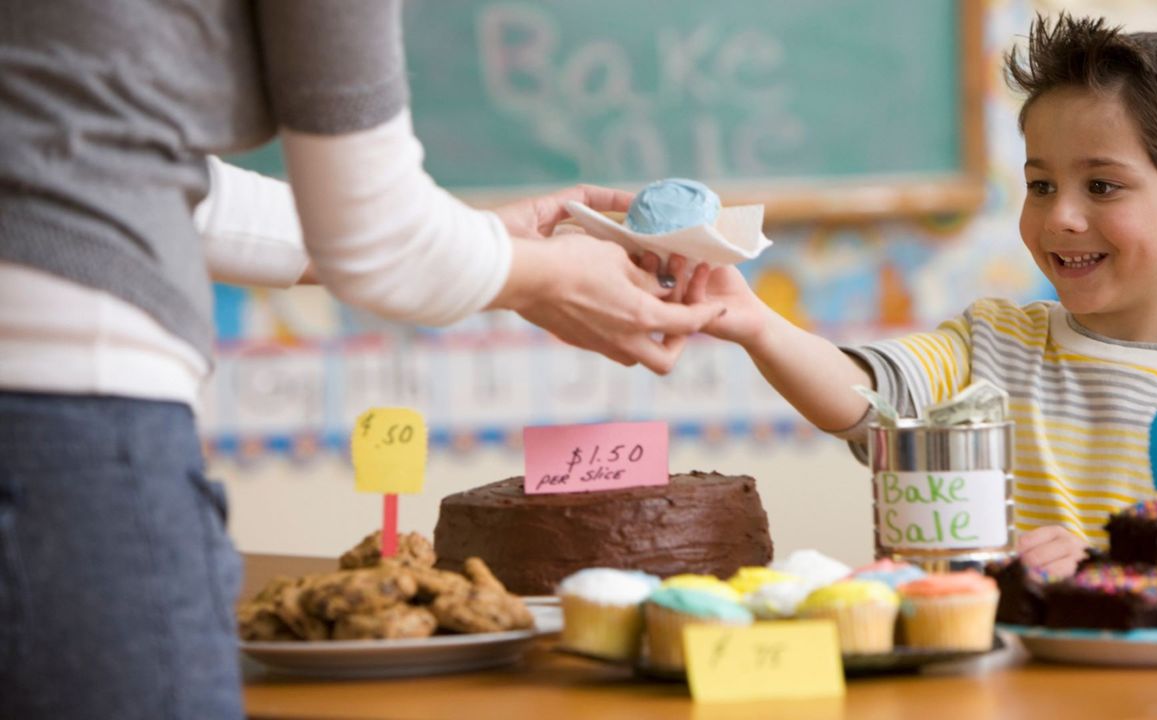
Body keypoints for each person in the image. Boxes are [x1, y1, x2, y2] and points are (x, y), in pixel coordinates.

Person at [0, 2, 722, 718]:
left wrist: (485, 243)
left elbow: (132, 172)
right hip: (57, 415)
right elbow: (378, 236)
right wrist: (549, 275)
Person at [670, 12, 1157, 578]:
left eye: (1101, 185)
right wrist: (752, 321)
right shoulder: (991, 343)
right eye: (1040, 184)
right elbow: (864, 397)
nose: (1060, 216)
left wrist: (1101, 575)